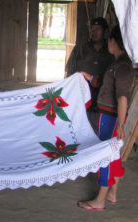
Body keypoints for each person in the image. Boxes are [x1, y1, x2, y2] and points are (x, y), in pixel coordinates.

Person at [77, 25, 136, 210]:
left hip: (110, 118)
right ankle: (112, 194)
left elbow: (123, 98)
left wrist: (120, 125)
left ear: (115, 43)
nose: (108, 43)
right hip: (109, 116)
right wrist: (87, 77)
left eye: (110, 39)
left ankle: (100, 200)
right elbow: (104, 83)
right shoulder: (117, 63)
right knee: (114, 155)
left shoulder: (124, 67)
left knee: (106, 156)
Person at [66, 17, 113, 132]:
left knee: (97, 134)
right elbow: (69, 72)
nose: (93, 33)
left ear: (105, 32)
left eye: (97, 29)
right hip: (82, 102)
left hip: (103, 103)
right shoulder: (81, 49)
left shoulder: (111, 51)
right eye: (92, 30)